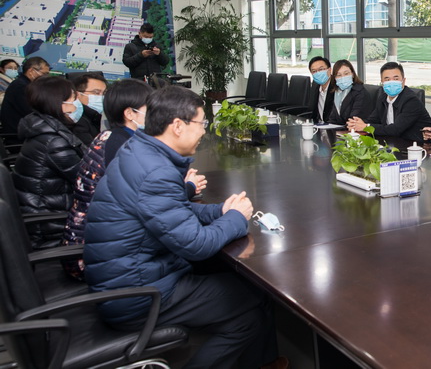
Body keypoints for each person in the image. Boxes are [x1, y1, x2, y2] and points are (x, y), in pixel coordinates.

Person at [83, 86, 284, 369]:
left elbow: (173, 210)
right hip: (139, 294)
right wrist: (236, 217)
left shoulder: (139, 150)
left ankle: (262, 362)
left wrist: (219, 211)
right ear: (178, 126)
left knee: (247, 312)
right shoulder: (156, 172)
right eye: (202, 123)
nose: (204, 131)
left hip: (126, 277)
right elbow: (196, 245)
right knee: (255, 294)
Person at [62, 79, 206, 281]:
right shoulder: (124, 146)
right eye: (151, 109)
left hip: (102, 243)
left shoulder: (111, 137)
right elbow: (150, 200)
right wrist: (188, 188)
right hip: (94, 255)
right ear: (130, 113)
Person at [12, 76, 85, 249]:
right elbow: (88, 180)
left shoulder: (42, 128)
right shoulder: (54, 142)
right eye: (73, 99)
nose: (76, 104)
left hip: (47, 213)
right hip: (53, 226)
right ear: (58, 103)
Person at [347, 62, 431, 143]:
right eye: (387, 79)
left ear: (403, 81)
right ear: (382, 82)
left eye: (396, 79)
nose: (391, 82)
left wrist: (366, 127)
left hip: (418, 146)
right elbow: (373, 120)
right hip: (394, 143)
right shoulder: (383, 98)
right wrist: (356, 124)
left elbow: (396, 129)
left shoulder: (411, 100)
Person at [0, 56, 50, 137]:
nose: (46, 77)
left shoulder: (27, 85)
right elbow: (32, 112)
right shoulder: (20, 87)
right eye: (44, 74)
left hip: (27, 131)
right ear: (31, 71)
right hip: (18, 135)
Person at [328, 59, 372, 125]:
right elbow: (332, 118)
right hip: (340, 129)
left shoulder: (360, 92)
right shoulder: (337, 92)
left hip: (356, 129)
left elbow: (354, 120)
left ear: (353, 74)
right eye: (339, 75)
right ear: (335, 78)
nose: (343, 77)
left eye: (346, 74)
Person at [71, 72, 108, 145]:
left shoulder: (99, 117)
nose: (101, 97)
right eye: (96, 92)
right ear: (77, 95)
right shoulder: (76, 120)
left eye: (104, 93)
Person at [308, 56, 334, 123]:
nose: (318, 73)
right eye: (314, 71)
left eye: (321, 69)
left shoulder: (337, 87)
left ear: (329, 70)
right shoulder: (315, 87)